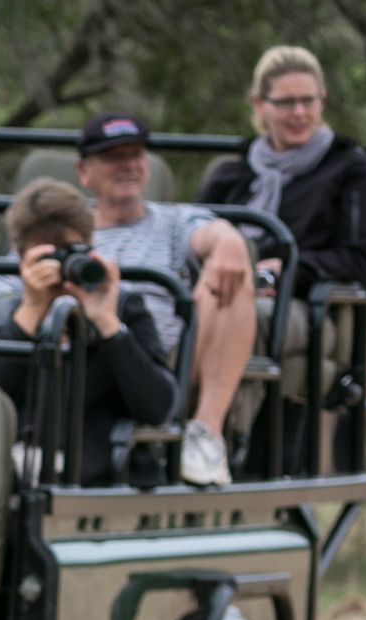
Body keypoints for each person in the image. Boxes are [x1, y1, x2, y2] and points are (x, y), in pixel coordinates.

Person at [69, 111, 254, 486]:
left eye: (135, 155)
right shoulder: (63, 228)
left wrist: (229, 242)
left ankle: (205, 433)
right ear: (84, 172)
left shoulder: (173, 223)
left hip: (156, 365)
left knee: (230, 278)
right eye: (113, 157)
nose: (128, 166)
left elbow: (210, 232)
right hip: (73, 361)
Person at [0, 181, 179, 486]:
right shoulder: (3, 313)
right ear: (20, 255)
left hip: (102, 483)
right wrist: (29, 316)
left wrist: (107, 323)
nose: (61, 268)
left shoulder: (126, 308)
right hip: (13, 482)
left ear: (91, 244)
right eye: (48, 256)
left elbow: (159, 406)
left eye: (71, 253)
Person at [198, 45, 366, 296]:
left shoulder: (351, 168)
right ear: (258, 104)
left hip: (301, 301)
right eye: (286, 102)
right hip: (221, 288)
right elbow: (192, 233)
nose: (299, 113)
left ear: (322, 100)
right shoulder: (232, 174)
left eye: (308, 101)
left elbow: (354, 261)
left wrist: (287, 271)